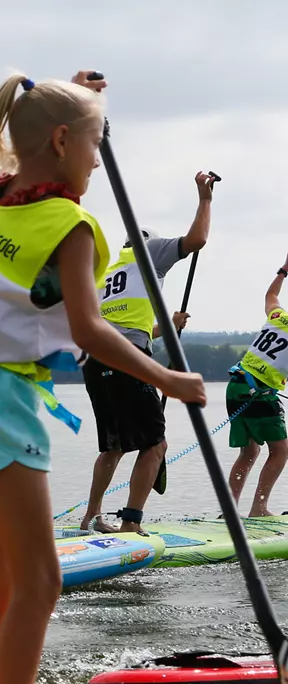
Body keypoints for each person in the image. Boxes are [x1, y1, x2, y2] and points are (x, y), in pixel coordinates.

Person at [0, 71, 204, 684]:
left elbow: (26, 159)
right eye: (93, 143)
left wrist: (73, 102)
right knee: (41, 581)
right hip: (1, 396)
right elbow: (90, 331)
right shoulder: (73, 227)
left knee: (3, 578)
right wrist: (170, 380)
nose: (97, 158)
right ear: (60, 141)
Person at [78, 173, 214, 532]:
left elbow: (120, 326)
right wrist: (205, 200)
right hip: (127, 364)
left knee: (113, 447)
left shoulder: (106, 270)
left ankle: (91, 516)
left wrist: (166, 326)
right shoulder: (149, 250)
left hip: (95, 362)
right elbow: (197, 240)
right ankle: (131, 524)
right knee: (156, 444)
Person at [226, 256, 288, 516]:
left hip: (235, 387)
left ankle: (230, 509)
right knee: (281, 451)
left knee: (248, 451)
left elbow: (271, 294)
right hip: (258, 395)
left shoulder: (278, 316)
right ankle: (259, 507)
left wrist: (284, 271)